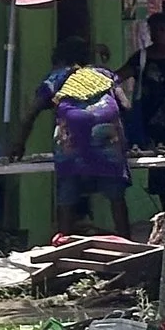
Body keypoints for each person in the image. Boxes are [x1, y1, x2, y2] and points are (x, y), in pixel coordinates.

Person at [45, 54, 133, 239]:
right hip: (106, 143)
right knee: (116, 198)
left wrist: (19, 143)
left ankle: (63, 245)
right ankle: (128, 247)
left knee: (67, 196)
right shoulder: (103, 74)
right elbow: (125, 104)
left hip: (71, 146)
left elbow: (33, 109)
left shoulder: (59, 76)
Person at [118, 12, 165, 207]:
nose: (156, 35)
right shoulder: (142, 57)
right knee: (160, 173)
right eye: (152, 31)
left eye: (161, 30)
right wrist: (122, 102)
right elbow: (115, 78)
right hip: (151, 124)